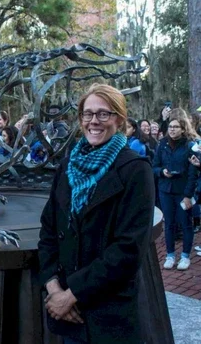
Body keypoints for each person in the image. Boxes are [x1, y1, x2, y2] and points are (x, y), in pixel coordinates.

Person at [38, 83, 154, 344]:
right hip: (70, 316)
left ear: (120, 119)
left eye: (103, 114)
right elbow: (48, 231)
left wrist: (72, 295)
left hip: (110, 315)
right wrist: (54, 288)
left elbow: (128, 249)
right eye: (87, 114)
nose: (94, 121)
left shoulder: (135, 170)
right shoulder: (68, 166)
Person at [153, 117, 198, 270]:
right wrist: (162, 172)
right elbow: (155, 166)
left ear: (183, 129)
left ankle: (185, 256)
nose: (172, 129)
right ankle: (170, 255)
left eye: (176, 127)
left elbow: (193, 174)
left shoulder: (190, 146)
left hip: (183, 191)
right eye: (170, 126)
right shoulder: (162, 145)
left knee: (186, 224)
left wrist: (187, 195)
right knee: (169, 224)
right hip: (165, 190)